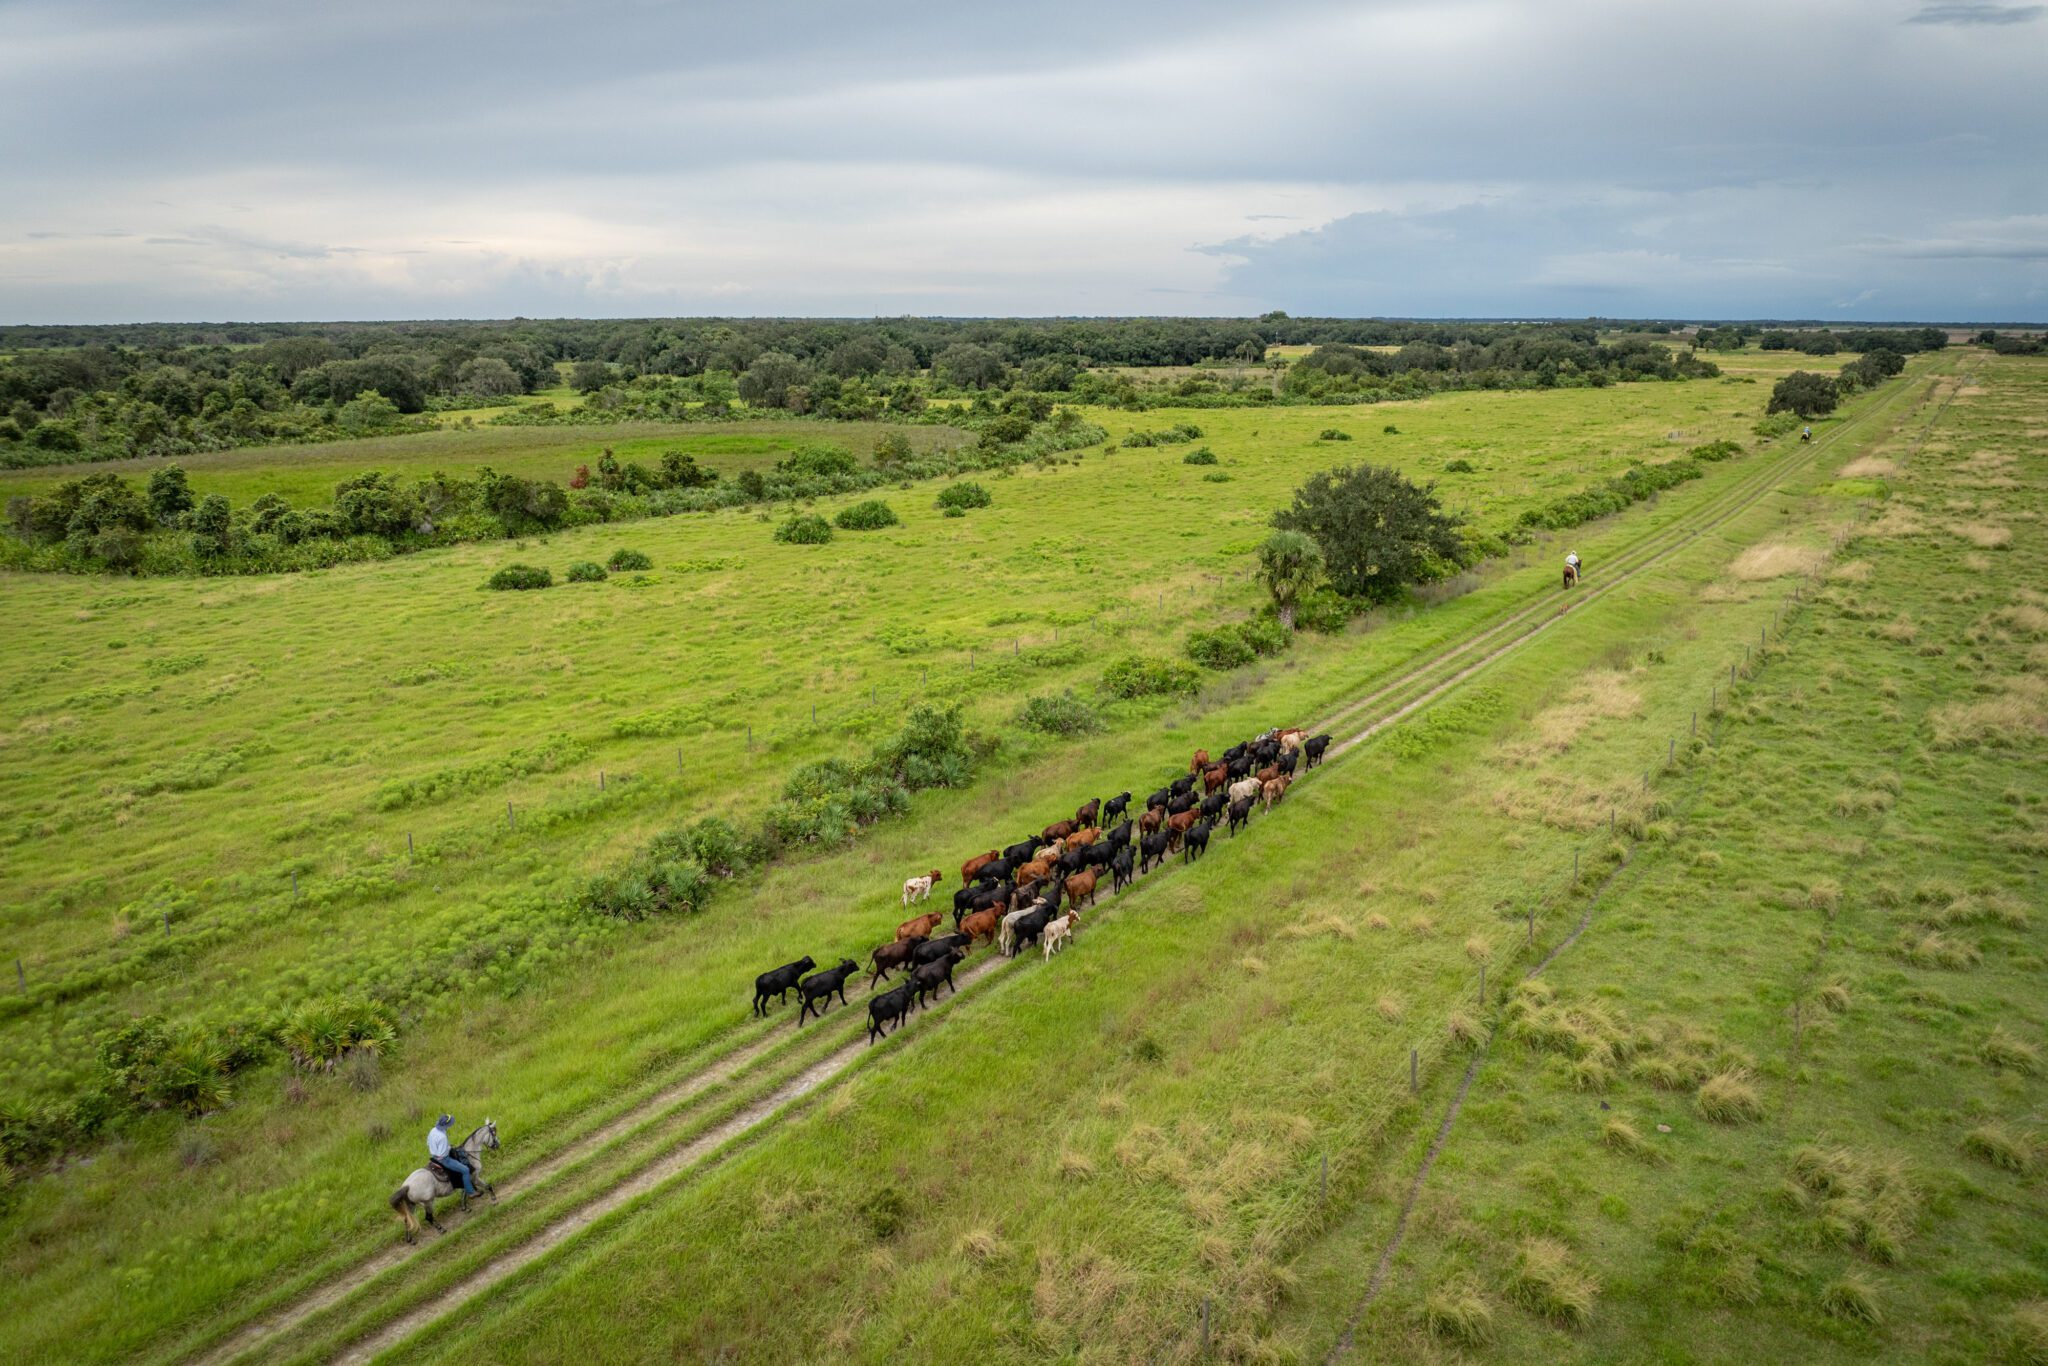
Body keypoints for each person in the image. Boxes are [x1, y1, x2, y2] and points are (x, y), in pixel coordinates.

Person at [428, 1114, 476, 1198]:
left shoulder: (433, 1130)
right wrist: (449, 1147)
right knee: (465, 1170)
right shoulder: (442, 1137)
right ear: (447, 1125)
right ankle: (470, 1192)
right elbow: (442, 1154)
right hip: (444, 1159)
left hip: (433, 1156)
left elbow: (428, 1143)